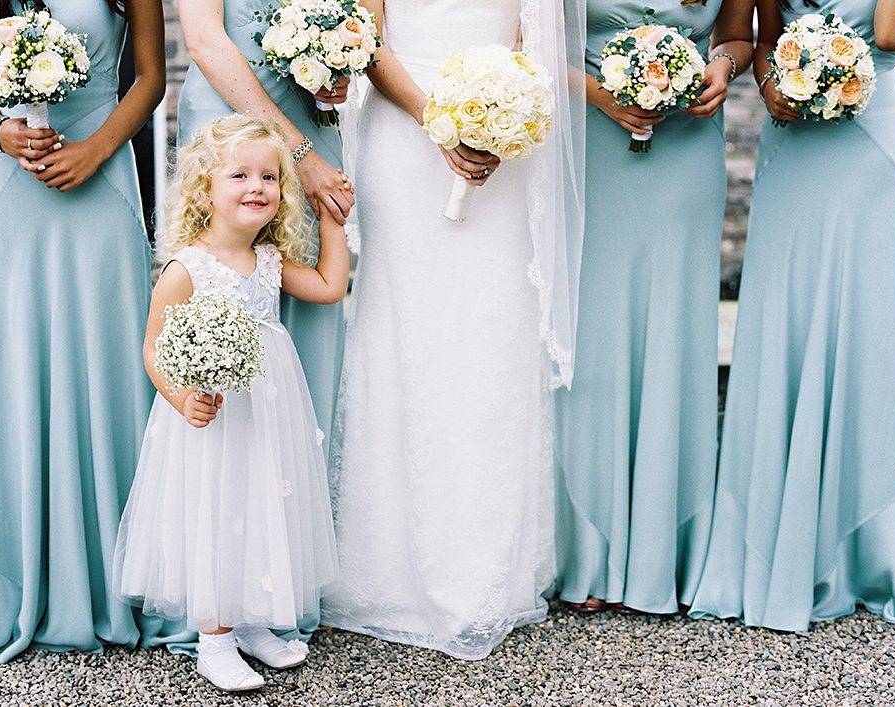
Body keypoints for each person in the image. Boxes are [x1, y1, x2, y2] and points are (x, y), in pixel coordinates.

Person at [319, 0, 585, 660]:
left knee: (488, 340)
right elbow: (368, 34)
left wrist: (502, 119)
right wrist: (437, 119)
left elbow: (537, 39)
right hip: (404, 134)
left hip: (501, 138)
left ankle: (486, 566)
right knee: (404, 331)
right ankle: (385, 567)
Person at [0, 0, 187, 662]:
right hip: (15, 185)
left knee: (108, 365)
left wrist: (95, 150)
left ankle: (119, 579)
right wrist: (0, 132)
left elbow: (149, 78)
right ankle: (11, 577)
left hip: (100, 172)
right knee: (14, 365)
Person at [689, 0, 895, 631]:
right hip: (794, 145)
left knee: (868, 330)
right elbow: (763, 40)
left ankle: (870, 549)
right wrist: (770, 85)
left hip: (872, 141)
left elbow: (890, 36)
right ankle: (773, 544)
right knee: (783, 320)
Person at [113, 113, 348, 691]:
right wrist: (181, 398)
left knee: (263, 502)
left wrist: (332, 221)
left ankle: (252, 623)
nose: (257, 187)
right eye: (239, 175)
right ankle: (213, 639)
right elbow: (153, 347)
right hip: (210, 420)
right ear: (206, 188)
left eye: (268, 177)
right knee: (215, 511)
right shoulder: (186, 269)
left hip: (267, 414)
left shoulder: (269, 262)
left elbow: (327, 287)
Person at [554, 0, 753, 615]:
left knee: (674, 327)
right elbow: (528, 47)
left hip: (687, 148)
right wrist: (598, 94)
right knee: (596, 334)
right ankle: (583, 549)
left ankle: (663, 551)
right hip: (591, 142)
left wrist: (720, 66)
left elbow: (736, 36)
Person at [176, 0, 352, 468]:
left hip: (313, 115)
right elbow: (205, 40)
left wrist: (340, 62)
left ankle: (300, 488)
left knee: (308, 321)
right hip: (230, 119)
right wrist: (301, 155)